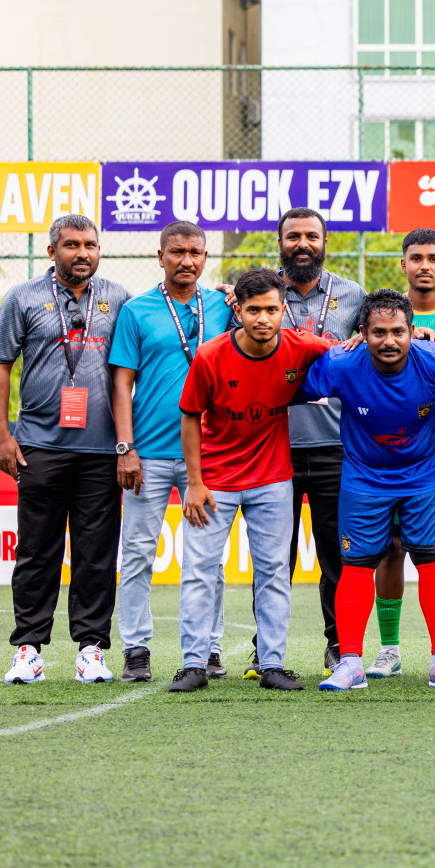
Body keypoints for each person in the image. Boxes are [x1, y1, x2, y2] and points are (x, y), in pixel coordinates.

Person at [306, 289, 435, 692]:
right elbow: (286, 382)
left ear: (413, 330)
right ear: (361, 333)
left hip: (425, 477)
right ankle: (350, 663)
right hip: (365, 478)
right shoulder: (341, 364)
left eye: (398, 331)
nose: (389, 341)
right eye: (378, 332)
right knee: (357, 565)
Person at [173, 268, 335, 692]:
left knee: (273, 572)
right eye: (253, 310)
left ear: (284, 309)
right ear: (239, 311)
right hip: (215, 481)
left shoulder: (304, 346)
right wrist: (194, 482)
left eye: (271, 309)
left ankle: (273, 664)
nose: (263, 319)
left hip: (272, 480)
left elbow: (350, 354)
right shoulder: (211, 355)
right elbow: (190, 416)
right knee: (199, 570)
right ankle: (194, 664)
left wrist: (420, 340)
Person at [0, 214, 130, 685]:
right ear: (53, 252)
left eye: (90, 244)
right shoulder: (23, 297)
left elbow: (130, 374)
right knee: (36, 551)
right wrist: (2, 436)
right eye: (71, 245)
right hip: (38, 447)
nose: (82, 253)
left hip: (100, 451)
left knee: (95, 553)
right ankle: (28, 650)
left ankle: (91, 649)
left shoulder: (118, 300)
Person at [107, 221, 233, 682]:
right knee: (138, 552)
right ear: (160, 256)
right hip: (150, 455)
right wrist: (126, 448)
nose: (187, 260)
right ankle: (136, 648)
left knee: (208, 559)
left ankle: (209, 647)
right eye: (177, 252)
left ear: (205, 258)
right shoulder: (137, 311)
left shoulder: (224, 306)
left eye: (196, 252)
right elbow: (122, 383)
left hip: (210, 455)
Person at [365, 229, 435, 680]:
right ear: (403, 264)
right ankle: (389, 648)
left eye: (434, 257)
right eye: (416, 257)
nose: (425, 265)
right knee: (389, 549)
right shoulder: (385, 319)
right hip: (388, 457)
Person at [261, 207, 364, 679]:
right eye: (293, 236)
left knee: (336, 557)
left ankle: (340, 647)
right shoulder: (257, 294)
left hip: (335, 447)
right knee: (272, 559)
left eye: (312, 237)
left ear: (325, 242)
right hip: (271, 444)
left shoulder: (353, 296)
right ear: (279, 241)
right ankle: (268, 652)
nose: (302, 244)